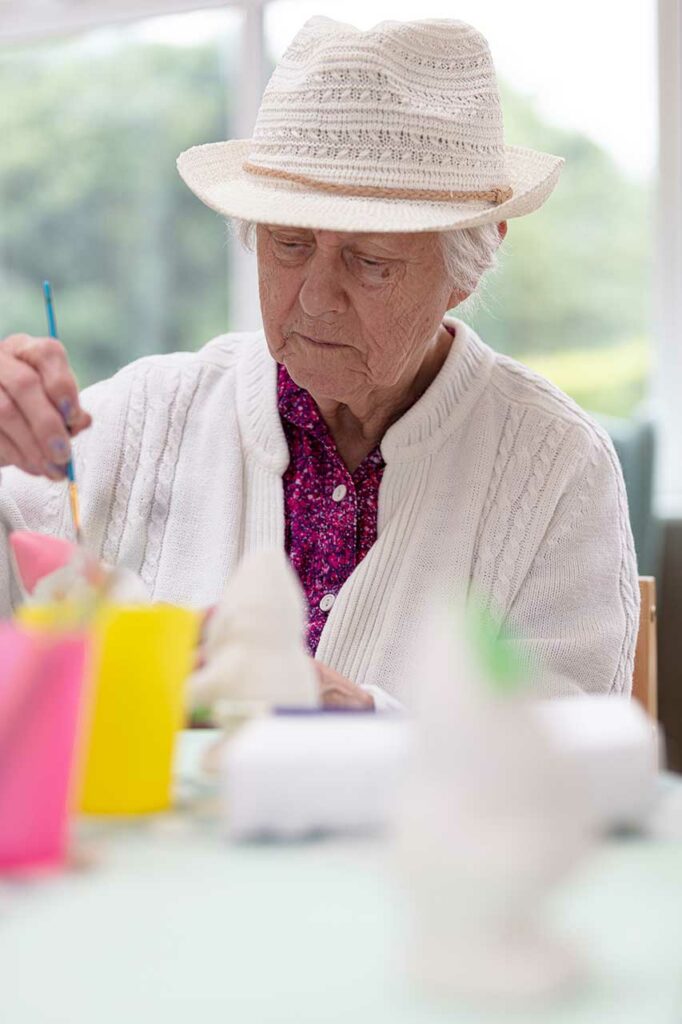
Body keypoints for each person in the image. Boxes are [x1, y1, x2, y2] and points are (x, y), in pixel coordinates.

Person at [0, 17, 638, 709]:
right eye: (289, 244)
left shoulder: (556, 466)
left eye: (370, 261)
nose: (314, 298)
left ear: (469, 266)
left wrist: (360, 719)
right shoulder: (142, 418)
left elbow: (567, 746)